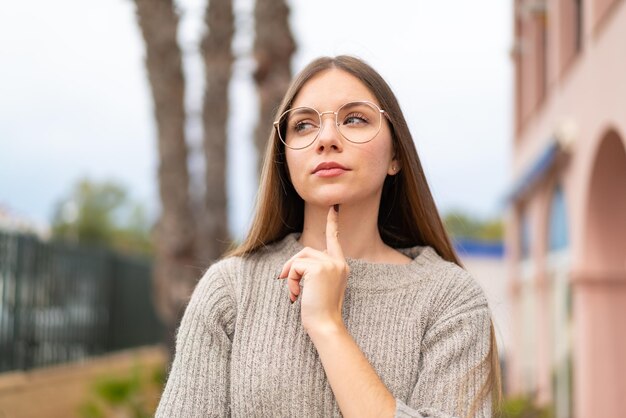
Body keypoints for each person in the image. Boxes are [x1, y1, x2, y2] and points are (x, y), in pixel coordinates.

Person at [155, 55, 501, 418]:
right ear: (285, 157)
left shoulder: (450, 299)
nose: (327, 139)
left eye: (354, 119)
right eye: (303, 125)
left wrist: (328, 326)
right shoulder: (231, 290)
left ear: (395, 154)